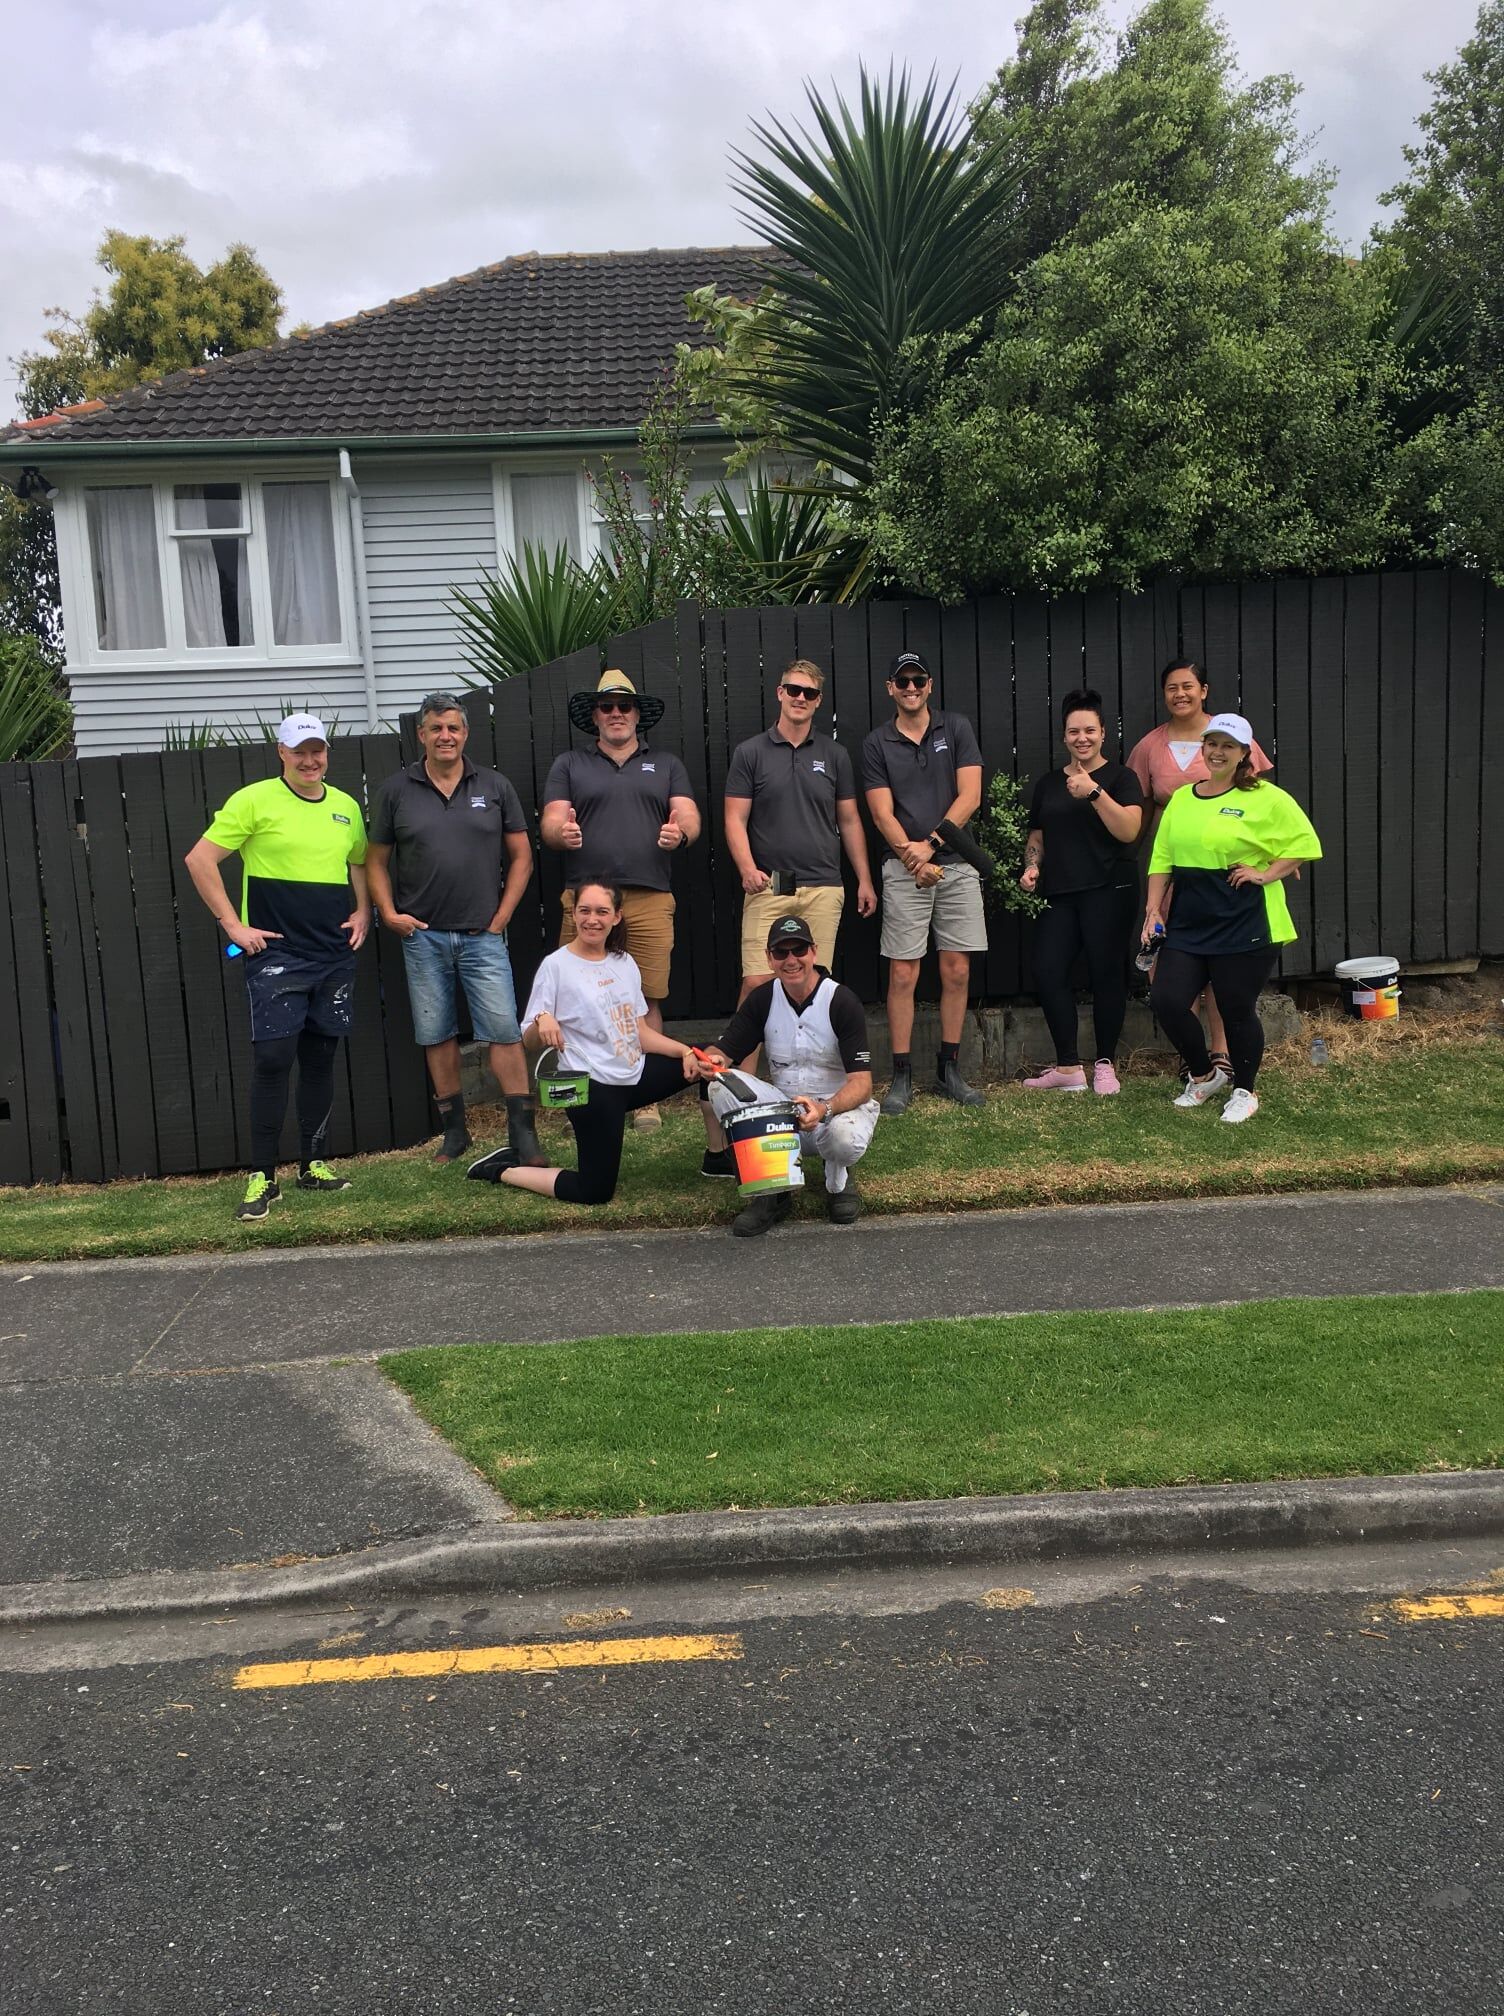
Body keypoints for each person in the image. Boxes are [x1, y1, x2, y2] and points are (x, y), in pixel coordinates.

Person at [183, 713, 370, 1221]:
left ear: (327, 752)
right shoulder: (254, 800)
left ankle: (313, 1166)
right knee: (273, 1059)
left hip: (333, 955)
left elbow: (358, 861)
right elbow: (199, 860)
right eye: (299, 751)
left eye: (318, 751)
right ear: (281, 753)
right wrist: (232, 927)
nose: (310, 760)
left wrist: (365, 909)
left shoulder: (347, 807)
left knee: (320, 1058)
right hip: (277, 957)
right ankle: (263, 1175)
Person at [366, 692, 542, 1167]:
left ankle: (523, 1136)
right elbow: (375, 862)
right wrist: (389, 913)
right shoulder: (395, 790)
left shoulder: (495, 786)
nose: (446, 736)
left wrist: (503, 915)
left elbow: (523, 856)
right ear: (421, 735)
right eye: (436, 728)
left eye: (454, 728)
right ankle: (454, 1133)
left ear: (465, 734)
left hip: (482, 935)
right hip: (421, 936)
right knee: (436, 1033)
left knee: (504, 1031)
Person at [464, 882, 702, 1202]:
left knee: (708, 1066)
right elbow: (528, 1041)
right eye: (584, 911)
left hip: (632, 1076)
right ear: (574, 914)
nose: (592, 919)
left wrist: (686, 1051)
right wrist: (541, 1020)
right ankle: (502, 1168)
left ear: (616, 917)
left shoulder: (624, 963)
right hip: (590, 1088)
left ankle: (717, 1159)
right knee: (595, 1192)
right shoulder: (556, 966)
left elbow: (639, 1032)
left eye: (602, 911)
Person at [540, 670, 700, 1138]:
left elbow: (688, 813)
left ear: (637, 715)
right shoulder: (569, 764)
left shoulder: (666, 763)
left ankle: (642, 1099)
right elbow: (551, 822)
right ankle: (579, 1103)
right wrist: (559, 833)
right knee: (574, 999)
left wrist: (681, 832)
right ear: (595, 715)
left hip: (648, 897)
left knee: (646, 996)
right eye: (607, 706)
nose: (615, 713)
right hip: (586, 899)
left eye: (623, 706)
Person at [1147, 714, 1321, 1123]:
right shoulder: (1183, 799)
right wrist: (1153, 910)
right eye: (1212, 744)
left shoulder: (1267, 797)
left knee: (1235, 1007)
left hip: (1247, 920)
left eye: (1229, 745)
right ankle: (1205, 1075)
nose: (1218, 752)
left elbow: (1305, 842)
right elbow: (1161, 860)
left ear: (1245, 753)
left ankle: (1245, 1090)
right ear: (1203, 748)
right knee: (1168, 1000)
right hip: (1189, 920)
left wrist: (1266, 873)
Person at [1127, 659, 1272, 1078]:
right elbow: (1142, 805)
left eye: (1188, 686)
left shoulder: (1230, 736)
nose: (1180, 694)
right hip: (1175, 865)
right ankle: (1190, 1054)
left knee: (1221, 957)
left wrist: (1269, 854)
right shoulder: (1149, 746)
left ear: (1204, 690)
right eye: (1171, 688)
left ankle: (1221, 1051)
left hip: (1225, 869)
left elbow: (1263, 800)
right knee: (1176, 957)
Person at [862, 648, 987, 1113]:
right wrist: (914, 860)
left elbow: (970, 794)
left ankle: (949, 1068)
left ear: (929, 685)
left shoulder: (955, 728)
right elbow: (880, 812)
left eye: (919, 680)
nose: (911, 688)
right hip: (902, 866)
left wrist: (930, 845)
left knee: (956, 970)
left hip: (954, 862)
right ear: (890, 688)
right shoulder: (877, 742)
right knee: (902, 972)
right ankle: (900, 1075)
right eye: (903, 681)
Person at [699, 914, 878, 1236]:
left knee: (844, 1140)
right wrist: (707, 1060)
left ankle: (839, 1177)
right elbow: (725, 1051)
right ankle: (773, 1190)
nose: (791, 960)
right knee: (719, 1087)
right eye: (781, 953)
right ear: (769, 958)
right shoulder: (763, 998)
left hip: (832, 1111)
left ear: (814, 952)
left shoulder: (841, 1000)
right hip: (784, 1113)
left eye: (799, 950)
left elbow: (863, 1083)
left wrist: (825, 1109)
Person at [723, 657, 877, 1003]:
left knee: (814, 987)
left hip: (824, 883)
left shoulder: (834, 754)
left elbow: (850, 820)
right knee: (757, 983)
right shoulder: (750, 753)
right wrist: (747, 869)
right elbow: (734, 818)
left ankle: (807, 1061)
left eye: (810, 693)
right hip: (770, 884)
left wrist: (864, 880)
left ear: (818, 700)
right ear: (780, 693)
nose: (801, 697)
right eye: (794, 689)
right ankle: (734, 1061)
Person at [1018, 689, 1146, 1094]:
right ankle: (1069, 1067)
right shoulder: (1049, 784)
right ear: (1064, 736)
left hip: (1110, 889)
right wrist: (1032, 866)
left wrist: (1093, 792)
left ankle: (1106, 1063)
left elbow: (1129, 830)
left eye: (1090, 730)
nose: (1082, 738)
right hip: (1060, 891)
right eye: (1074, 731)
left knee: (1107, 973)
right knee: (1048, 969)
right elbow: (1037, 834)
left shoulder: (1122, 778)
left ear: (1103, 733)